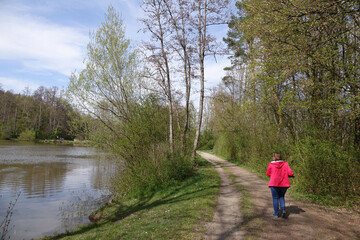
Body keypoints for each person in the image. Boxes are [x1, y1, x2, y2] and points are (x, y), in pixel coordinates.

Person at [266, 152, 294, 218]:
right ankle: (283, 210)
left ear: (274, 157)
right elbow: (290, 173)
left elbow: (268, 173)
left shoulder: (271, 164)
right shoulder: (285, 164)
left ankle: (276, 213)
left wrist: (273, 175)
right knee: (281, 196)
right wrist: (290, 175)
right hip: (284, 183)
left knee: (275, 198)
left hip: (274, 183)